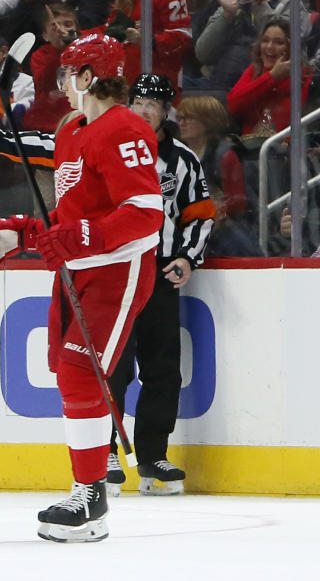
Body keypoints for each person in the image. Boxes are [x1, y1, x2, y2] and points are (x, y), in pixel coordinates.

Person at [0, 33, 163, 543]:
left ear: (89, 76)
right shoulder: (73, 131)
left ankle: (89, 500)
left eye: (69, 74)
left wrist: (81, 235)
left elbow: (145, 215)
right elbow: (69, 218)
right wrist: (20, 234)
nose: (64, 86)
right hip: (76, 271)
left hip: (118, 267)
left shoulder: (126, 127)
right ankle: (89, 496)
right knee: (70, 375)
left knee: (81, 371)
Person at [106, 74, 215, 498]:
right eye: (140, 99)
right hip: (115, 273)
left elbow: (201, 214)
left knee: (163, 369)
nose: (147, 107)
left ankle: (152, 455)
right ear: (129, 103)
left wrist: (187, 256)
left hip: (158, 274)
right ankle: (106, 454)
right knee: (114, 368)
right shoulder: (109, 149)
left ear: (167, 109)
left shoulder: (183, 160)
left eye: (155, 101)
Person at [195, 0, 311, 91]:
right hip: (212, 83)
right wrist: (227, 15)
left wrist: (259, 3)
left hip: (259, 91)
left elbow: (278, 52)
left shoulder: (294, 10)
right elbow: (202, 54)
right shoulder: (234, 2)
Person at [227, 19, 312, 139]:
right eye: (265, 40)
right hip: (250, 149)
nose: (269, 46)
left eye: (279, 42)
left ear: (291, 48)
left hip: (286, 150)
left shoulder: (304, 77)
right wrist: (271, 77)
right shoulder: (254, 71)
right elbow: (233, 105)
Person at [24, 3, 82, 133]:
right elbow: (45, 83)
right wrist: (66, 49)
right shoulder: (40, 56)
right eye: (54, 27)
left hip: (79, 122)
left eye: (68, 24)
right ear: (45, 35)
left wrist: (73, 44)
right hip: (46, 126)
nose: (61, 30)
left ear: (77, 29)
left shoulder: (87, 51)